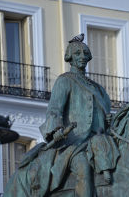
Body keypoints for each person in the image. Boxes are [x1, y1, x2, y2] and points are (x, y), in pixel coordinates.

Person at [39, 34, 120, 196]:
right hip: (75, 143)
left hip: (101, 140)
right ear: (70, 57)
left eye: (85, 54)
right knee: (84, 169)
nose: (82, 57)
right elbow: (54, 110)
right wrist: (56, 130)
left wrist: (109, 121)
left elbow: (106, 117)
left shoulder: (98, 88)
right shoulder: (65, 80)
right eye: (77, 54)